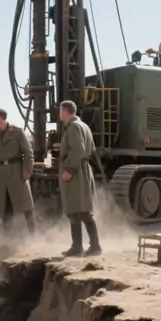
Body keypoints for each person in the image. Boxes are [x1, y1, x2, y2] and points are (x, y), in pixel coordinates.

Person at [58, 100, 102, 257]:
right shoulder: (84, 126)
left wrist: (69, 169)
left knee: (82, 210)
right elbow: (90, 149)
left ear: (66, 111)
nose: (59, 113)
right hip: (81, 170)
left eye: (60, 110)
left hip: (76, 172)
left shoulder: (73, 127)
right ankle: (77, 246)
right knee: (75, 209)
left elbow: (79, 149)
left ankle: (95, 246)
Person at [0, 108, 35, 234]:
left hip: (16, 171)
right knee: (4, 206)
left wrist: (27, 170)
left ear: (1, 118)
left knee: (25, 203)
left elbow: (28, 153)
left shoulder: (17, 132)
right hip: (0, 173)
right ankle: (7, 234)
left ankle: (32, 231)